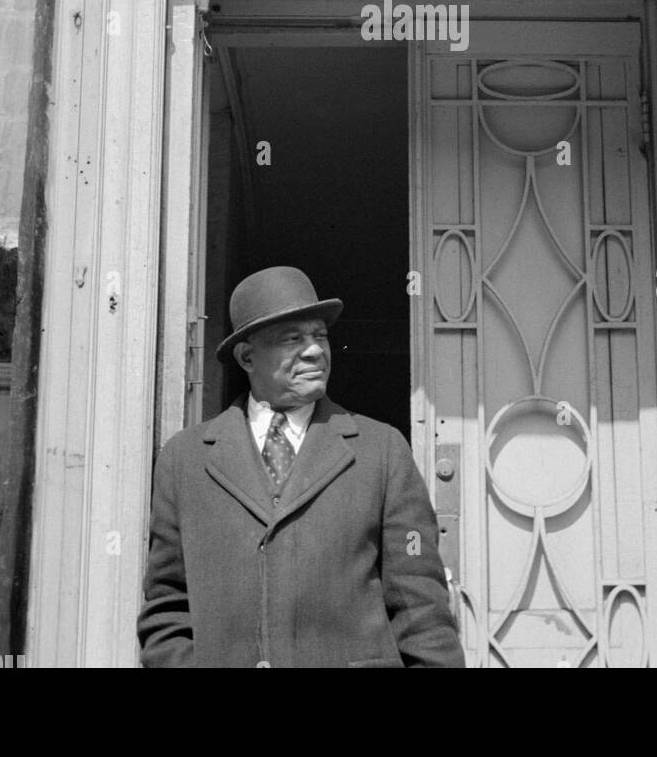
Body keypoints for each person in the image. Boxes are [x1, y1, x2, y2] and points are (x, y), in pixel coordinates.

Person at [138, 265, 464, 669]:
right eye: (293, 339)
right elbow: (167, 608)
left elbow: (421, 609)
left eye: (320, 336)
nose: (315, 351)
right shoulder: (185, 459)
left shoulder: (381, 450)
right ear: (246, 356)